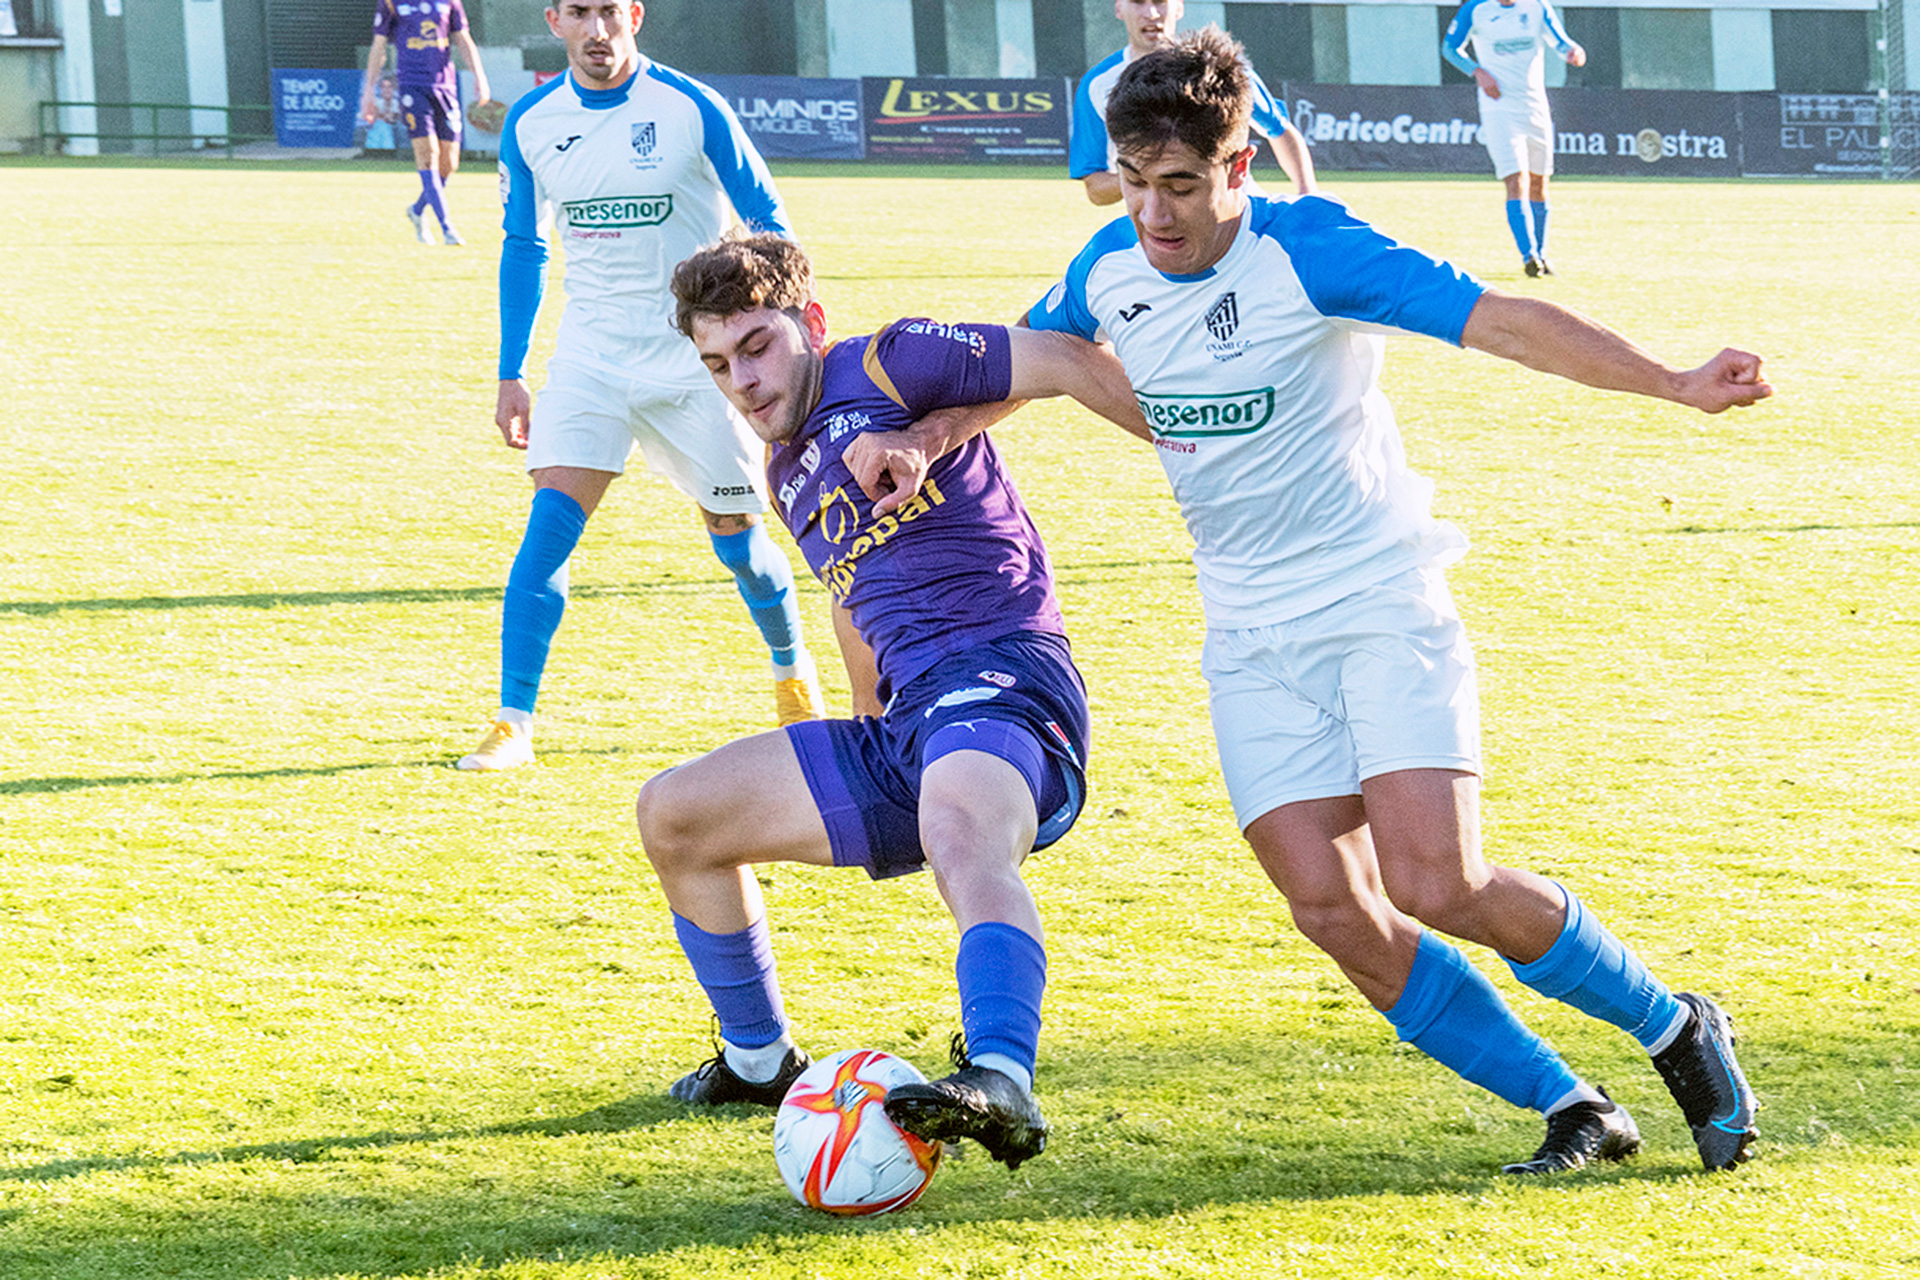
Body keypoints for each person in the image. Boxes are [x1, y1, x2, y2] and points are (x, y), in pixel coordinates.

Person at [848, 29, 1766, 1176]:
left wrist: (1675, 383)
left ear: (1241, 166)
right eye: (1135, 182)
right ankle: (1575, 1105)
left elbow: (1501, 321)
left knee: (1440, 880)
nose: (1155, 212)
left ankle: (1675, 1025)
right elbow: (1034, 356)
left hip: (1379, 596)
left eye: (1180, 184)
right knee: (1331, 907)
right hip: (1248, 629)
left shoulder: (1310, 248)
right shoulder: (1106, 267)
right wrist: (930, 431)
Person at [636, 233, 1147, 1169]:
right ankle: (759, 1062)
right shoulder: (785, 472)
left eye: (757, 346)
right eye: (717, 364)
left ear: (810, 325)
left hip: (1004, 673)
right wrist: (869, 729)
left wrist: (1196, 457)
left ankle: (1001, 1077)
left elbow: (1066, 359)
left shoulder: (889, 358)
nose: (742, 382)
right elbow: (852, 602)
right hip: (907, 724)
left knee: (962, 834)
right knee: (675, 816)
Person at [460, 0, 824, 771]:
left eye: (609, 12)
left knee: (737, 539)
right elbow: (523, 247)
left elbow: (767, 216)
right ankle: (512, 721)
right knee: (550, 526)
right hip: (590, 356)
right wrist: (510, 372)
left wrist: (786, 337)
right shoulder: (530, 122)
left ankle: (793, 677)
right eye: (579, 13)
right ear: (555, 20)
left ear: (634, 14)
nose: (597, 32)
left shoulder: (692, 107)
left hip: (698, 358)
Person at [1072, 0, 1314, 207]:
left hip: (1241, 221)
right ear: (1118, 8)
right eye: (1138, 2)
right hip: (1160, 232)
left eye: (1160, 2)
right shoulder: (1097, 85)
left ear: (1179, 8)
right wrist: (1153, 172)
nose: (1151, 14)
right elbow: (1096, 188)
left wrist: (1308, 196)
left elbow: (1280, 131)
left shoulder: (1219, 67)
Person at [1442, 0, 1585, 276]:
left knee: (1539, 183)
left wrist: (1573, 51)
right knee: (1514, 178)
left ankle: (1542, 255)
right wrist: (1477, 71)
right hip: (1499, 107)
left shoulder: (1537, 7)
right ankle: (1529, 256)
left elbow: (1560, 41)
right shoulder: (1476, 8)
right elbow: (1450, 48)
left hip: (1534, 106)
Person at [361, 0, 491, 246]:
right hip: (412, 85)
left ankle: (417, 209)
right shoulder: (391, 3)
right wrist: (368, 90)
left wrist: (479, 76)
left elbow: (463, 38)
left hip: (446, 87)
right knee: (427, 154)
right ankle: (447, 227)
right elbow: (378, 46)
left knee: (449, 163)